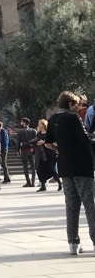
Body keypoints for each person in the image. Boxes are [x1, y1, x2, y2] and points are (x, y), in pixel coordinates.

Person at [45, 91, 95, 255]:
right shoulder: (73, 118)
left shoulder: (53, 119)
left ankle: (73, 242)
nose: (79, 108)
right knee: (89, 204)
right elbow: (85, 139)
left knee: (71, 206)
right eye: (77, 105)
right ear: (71, 104)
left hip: (65, 167)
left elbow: (48, 143)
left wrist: (62, 150)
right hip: (82, 166)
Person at [34, 119, 62, 192]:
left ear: (44, 125)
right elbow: (36, 140)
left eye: (40, 124)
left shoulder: (49, 133)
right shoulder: (38, 133)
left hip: (50, 153)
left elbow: (54, 141)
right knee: (40, 169)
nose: (39, 125)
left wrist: (43, 142)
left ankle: (59, 183)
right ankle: (43, 185)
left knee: (51, 169)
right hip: (40, 153)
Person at [17, 118, 37, 187]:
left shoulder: (20, 131)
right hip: (32, 150)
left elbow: (18, 142)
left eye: (22, 122)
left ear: (24, 123)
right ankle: (33, 181)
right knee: (33, 167)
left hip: (24, 150)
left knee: (25, 166)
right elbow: (36, 140)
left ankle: (28, 181)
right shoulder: (33, 130)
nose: (21, 123)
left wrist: (18, 150)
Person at [0, 121, 11, 185]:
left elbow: (5, 141)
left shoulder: (3, 131)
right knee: (3, 163)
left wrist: (1, 149)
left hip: (3, 149)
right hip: (2, 149)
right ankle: (6, 178)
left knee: (3, 163)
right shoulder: (0, 132)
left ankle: (7, 178)